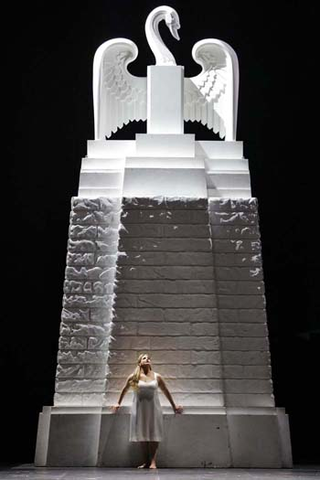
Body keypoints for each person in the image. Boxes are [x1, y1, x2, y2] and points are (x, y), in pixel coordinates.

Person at [111, 352, 183, 469]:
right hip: (140, 409)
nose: (147, 359)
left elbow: (166, 391)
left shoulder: (157, 377)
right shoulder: (134, 377)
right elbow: (125, 390)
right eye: (144, 358)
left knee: (154, 433)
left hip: (153, 408)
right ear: (139, 362)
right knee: (142, 434)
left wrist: (174, 406)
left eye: (149, 358)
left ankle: (153, 462)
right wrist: (118, 403)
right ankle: (146, 461)